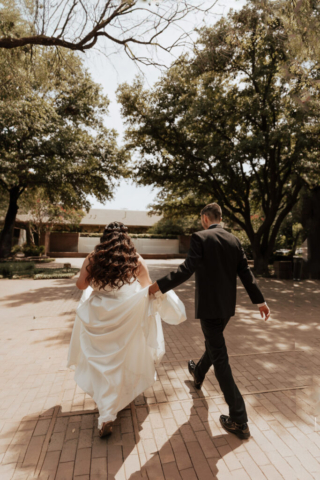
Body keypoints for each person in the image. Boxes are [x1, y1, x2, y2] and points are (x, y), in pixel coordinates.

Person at [149, 203, 270, 440]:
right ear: (220, 218)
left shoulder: (200, 238)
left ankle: (239, 419)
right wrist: (261, 302)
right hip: (225, 309)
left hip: (209, 309)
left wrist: (158, 286)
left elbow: (186, 269)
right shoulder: (235, 241)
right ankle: (198, 372)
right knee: (214, 346)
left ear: (205, 218)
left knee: (220, 357)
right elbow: (246, 274)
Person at [67, 222, 165, 438]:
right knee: (120, 361)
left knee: (101, 364)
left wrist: (96, 279)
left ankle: (107, 413)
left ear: (105, 237)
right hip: (124, 315)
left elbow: (81, 286)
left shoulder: (94, 257)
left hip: (98, 315)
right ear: (126, 237)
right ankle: (110, 410)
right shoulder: (135, 259)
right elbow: (147, 286)